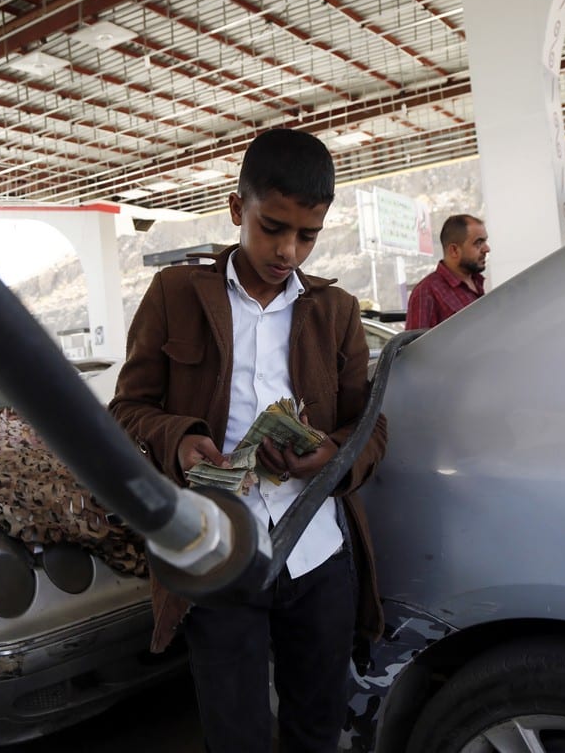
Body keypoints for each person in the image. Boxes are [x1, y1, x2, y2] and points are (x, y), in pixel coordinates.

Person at [110, 128, 388, 753]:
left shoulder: (336, 311)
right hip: (220, 550)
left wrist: (330, 456)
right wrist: (180, 440)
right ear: (238, 209)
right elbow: (127, 407)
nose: (288, 250)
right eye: (272, 227)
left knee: (318, 732)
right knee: (234, 734)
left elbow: (368, 427)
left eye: (307, 235)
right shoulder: (176, 296)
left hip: (317, 553)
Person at [405, 214, 489, 331]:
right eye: (478, 243)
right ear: (454, 250)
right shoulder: (426, 292)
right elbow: (416, 347)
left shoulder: (477, 283)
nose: (486, 249)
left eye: (485, 241)